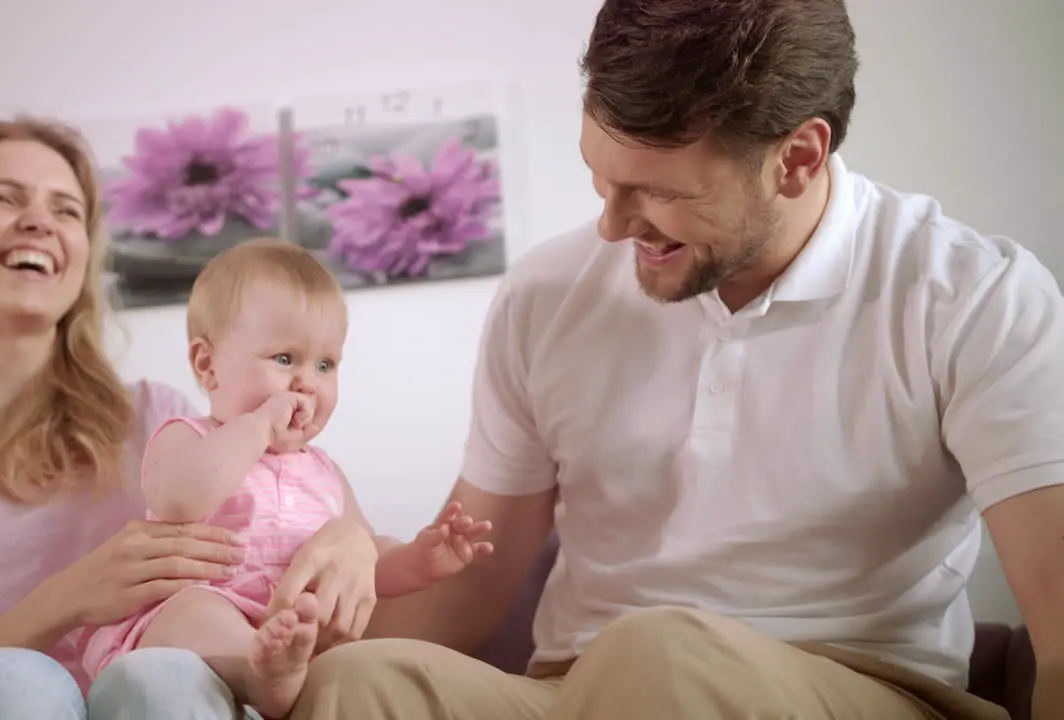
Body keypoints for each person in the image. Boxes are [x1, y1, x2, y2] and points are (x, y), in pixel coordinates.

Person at [287, 1, 1064, 719]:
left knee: (659, 656)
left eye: (656, 193)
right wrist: (307, 596)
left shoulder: (972, 295)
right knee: (359, 684)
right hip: (579, 689)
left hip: (858, 686)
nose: (611, 227)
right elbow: (473, 582)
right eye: (600, 178)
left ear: (797, 156)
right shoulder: (546, 295)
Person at [0, 117, 379, 720]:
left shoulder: (161, 415)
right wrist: (65, 601)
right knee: (2, 686)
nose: (40, 221)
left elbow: (285, 533)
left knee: (162, 680)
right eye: (3, 196)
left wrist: (355, 543)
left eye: (66, 210)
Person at [71, 239, 493, 718]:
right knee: (192, 612)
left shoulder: (324, 473)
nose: (307, 382)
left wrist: (418, 560)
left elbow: (363, 559)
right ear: (208, 366)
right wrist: (257, 426)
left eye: (325, 365)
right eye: (285, 359)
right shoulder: (187, 437)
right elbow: (181, 501)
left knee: (339, 645)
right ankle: (256, 669)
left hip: (292, 630)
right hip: (200, 615)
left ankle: (275, 666)